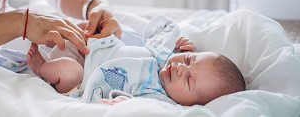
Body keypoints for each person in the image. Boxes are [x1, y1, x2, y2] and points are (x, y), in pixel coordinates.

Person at [26, 16, 245, 106]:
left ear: (189, 104)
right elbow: (159, 28)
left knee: (69, 71)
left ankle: (40, 66)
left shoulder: (158, 98)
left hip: (82, 79)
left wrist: (123, 104)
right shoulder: (164, 56)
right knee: (85, 27)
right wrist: (179, 44)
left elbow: (136, 106)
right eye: (188, 60)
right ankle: (52, 41)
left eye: (188, 80)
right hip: (90, 49)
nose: (180, 68)